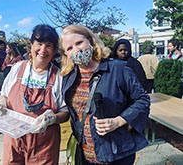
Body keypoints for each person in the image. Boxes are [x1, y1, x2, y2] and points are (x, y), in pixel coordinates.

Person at [60, 25, 150, 164]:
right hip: (84, 156)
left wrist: (119, 121)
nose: (76, 50)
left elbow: (142, 100)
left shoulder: (118, 68)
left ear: (90, 40)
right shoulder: (68, 77)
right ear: (65, 54)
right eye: (69, 48)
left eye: (79, 43)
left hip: (116, 153)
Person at [0, 24, 69, 164]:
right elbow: (4, 95)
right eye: (39, 44)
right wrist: (0, 103)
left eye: (49, 46)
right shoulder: (18, 68)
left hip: (44, 143)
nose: (43, 50)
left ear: (54, 50)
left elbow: (65, 113)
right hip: (13, 137)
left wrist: (52, 119)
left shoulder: (59, 77)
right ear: (31, 45)